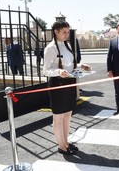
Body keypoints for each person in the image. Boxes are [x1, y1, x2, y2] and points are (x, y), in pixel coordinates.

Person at [43, 21, 91, 155]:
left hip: (69, 83)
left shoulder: (67, 45)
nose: (66, 34)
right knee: (58, 117)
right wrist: (58, 72)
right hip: (57, 85)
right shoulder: (50, 48)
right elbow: (46, 71)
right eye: (64, 32)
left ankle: (66, 142)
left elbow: (69, 65)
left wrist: (81, 66)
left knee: (67, 115)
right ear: (56, 32)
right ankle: (61, 146)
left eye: (68, 32)